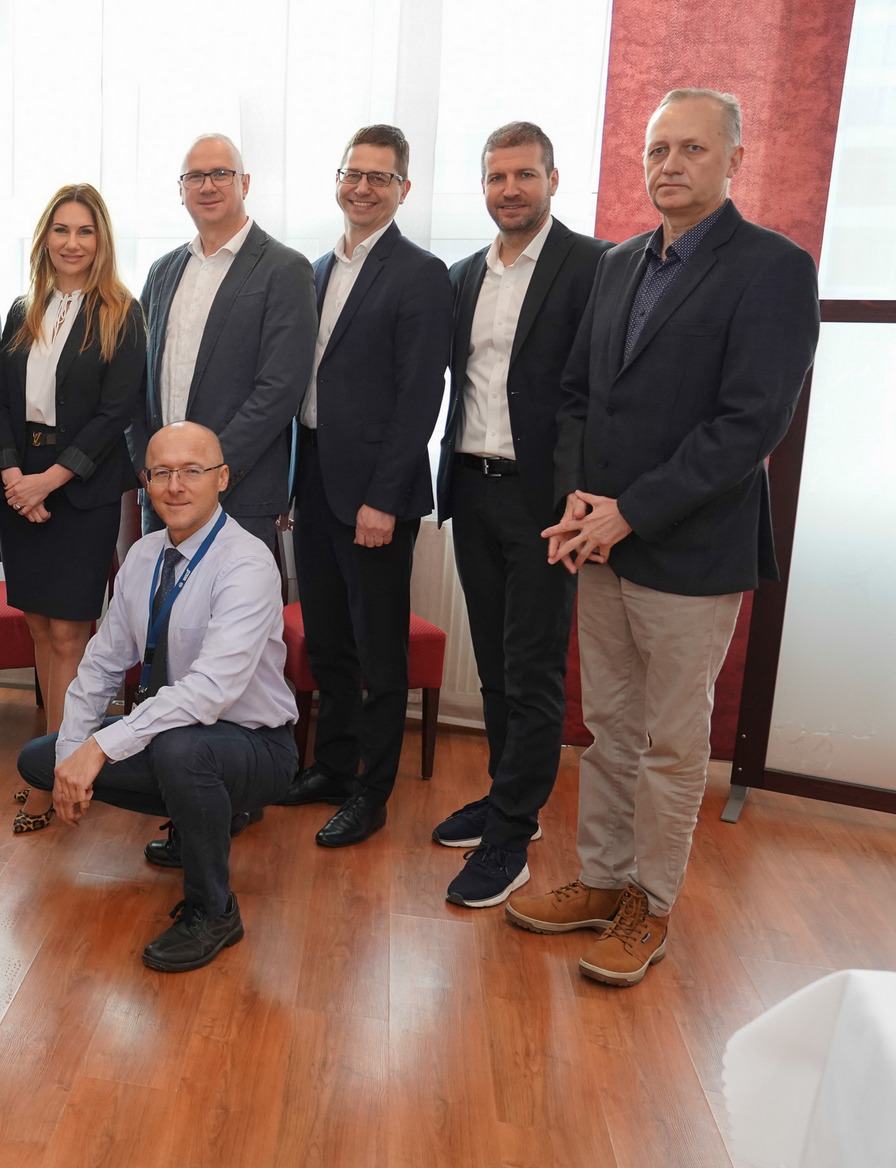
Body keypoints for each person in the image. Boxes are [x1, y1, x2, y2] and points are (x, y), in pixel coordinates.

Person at [506, 89, 819, 987]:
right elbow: (577, 396)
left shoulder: (773, 268)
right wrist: (579, 497)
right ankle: (602, 881)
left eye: (691, 149)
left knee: (672, 747)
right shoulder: (618, 264)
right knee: (608, 728)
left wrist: (631, 510)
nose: (669, 165)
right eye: (657, 150)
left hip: (691, 550)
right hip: (602, 541)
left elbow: (748, 426)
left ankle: (650, 904)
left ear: (734, 160)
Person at [16, 422, 297, 972]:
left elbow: (211, 691)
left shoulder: (246, 563)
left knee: (181, 751)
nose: (175, 486)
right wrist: (73, 756)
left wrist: (102, 747)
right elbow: (101, 662)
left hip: (256, 745)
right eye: (161, 473)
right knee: (42, 760)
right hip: (174, 733)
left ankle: (214, 910)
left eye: (192, 471)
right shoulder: (144, 555)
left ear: (222, 478)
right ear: (146, 483)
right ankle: (194, 824)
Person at [431, 122, 610, 909]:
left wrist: (580, 491)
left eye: (524, 175)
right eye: (497, 177)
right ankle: (510, 799)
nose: (510, 190)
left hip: (545, 501)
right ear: (483, 185)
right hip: (473, 489)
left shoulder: (596, 266)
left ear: (553, 179)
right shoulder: (464, 275)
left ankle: (510, 835)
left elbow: (599, 392)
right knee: (495, 665)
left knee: (533, 670)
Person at [275, 123, 452, 848]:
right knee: (328, 640)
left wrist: (382, 499)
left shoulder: (421, 274)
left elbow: (420, 397)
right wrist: (291, 485)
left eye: (380, 177)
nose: (364, 187)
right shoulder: (314, 270)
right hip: (315, 476)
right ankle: (333, 766)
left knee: (379, 651)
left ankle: (372, 792)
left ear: (403, 189)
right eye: (354, 173)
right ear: (338, 180)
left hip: (377, 491)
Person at [0, 183, 146, 806]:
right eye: (61, 230)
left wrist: (50, 480)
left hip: (80, 490)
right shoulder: (23, 309)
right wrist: (11, 477)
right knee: (37, 626)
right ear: (44, 238)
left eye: (85, 231)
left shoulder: (122, 313)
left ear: (100, 240)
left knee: (69, 635)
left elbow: (115, 414)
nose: (72, 243)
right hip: (20, 486)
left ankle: (61, 768)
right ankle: (47, 761)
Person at [136, 134, 316, 554]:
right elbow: (135, 379)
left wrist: (208, 472)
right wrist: (149, 463)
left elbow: (280, 389)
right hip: (162, 495)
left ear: (245, 183)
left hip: (239, 493)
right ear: (181, 190)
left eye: (220, 173)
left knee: (236, 600)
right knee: (159, 598)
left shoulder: (285, 269)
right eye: (195, 177)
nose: (207, 186)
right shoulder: (162, 272)